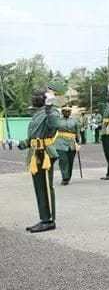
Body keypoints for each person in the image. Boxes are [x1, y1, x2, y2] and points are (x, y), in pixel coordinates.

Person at [20, 89, 59, 232]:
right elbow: (34, 136)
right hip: (35, 153)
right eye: (33, 96)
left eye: (36, 97)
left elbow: (54, 125)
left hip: (45, 153)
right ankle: (44, 218)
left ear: (44, 99)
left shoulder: (51, 112)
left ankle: (49, 221)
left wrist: (49, 107)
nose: (33, 99)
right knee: (39, 187)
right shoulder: (37, 113)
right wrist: (24, 143)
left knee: (46, 187)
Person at [53, 106, 80, 185]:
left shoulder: (74, 121)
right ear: (62, 112)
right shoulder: (58, 121)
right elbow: (53, 131)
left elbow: (77, 132)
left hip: (72, 143)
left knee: (70, 161)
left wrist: (78, 142)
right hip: (60, 143)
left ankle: (68, 177)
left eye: (69, 111)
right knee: (63, 160)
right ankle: (65, 177)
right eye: (65, 111)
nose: (67, 112)